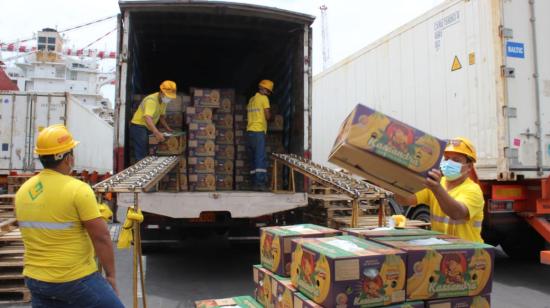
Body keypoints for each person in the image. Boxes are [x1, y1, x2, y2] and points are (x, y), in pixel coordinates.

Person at [15, 124, 123, 307]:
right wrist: (111, 276)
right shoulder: (78, 189)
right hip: (73, 279)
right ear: (67, 158)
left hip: (36, 280)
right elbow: (101, 237)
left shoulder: (23, 191)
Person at [397, 137, 485, 242]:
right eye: (446, 159)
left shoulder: (473, 190)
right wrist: (395, 179)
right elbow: (405, 200)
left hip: (469, 252)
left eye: (456, 160)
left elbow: (457, 213)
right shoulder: (436, 183)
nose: (449, 163)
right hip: (442, 248)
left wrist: (437, 188)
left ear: (469, 166)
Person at [130, 80, 176, 161]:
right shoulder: (151, 101)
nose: (168, 98)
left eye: (170, 96)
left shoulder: (163, 102)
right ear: (161, 92)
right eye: (167, 96)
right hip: (139, 126)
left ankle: (146, 168)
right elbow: (147, 118)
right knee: (142, 151)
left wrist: (168, 129)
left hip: (148, 127)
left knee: (150, 149)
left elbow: (161, 117)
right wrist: (157, 132)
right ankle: (141, 171)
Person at [246, 79, 273, 191]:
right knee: (260, 157)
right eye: (269, 91)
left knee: (252, 158)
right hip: (258, 132)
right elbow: (267, 116)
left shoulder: (251, 100)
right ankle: (260, 183)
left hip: (250, 132)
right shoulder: (264, 99)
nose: (269, 93)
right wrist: (272, 116)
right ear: (266, 90)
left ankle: (253, 182)